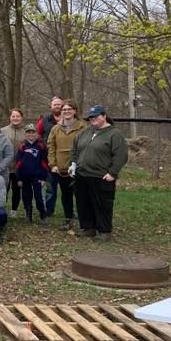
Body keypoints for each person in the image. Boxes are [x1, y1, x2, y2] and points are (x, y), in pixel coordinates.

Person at [72, 105, 128, 239]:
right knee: (84, 203)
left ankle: (104, 231)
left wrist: (113, 173)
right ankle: (88, 228)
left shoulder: (114, 134)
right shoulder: (85, 132)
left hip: (101, 176)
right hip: (82, 174)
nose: (93, 119)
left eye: (96, 116)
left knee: (102, 204)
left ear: (104, 116)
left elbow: (121, 155)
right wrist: (74, 164)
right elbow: (74, 149)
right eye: (90, 117)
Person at [47, 100, 86, 230]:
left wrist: (80, 163)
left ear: (74, 111)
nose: (66, 111)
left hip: (80, 167)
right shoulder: (56, 128)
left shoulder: (83, 127)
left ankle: (84, 222)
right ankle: (68, 220)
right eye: (64, 110)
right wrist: (53, 164)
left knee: (81, 195)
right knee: (66, 195)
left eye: (69, 109)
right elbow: (51, 146)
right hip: (61, 168)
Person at [15, 124, 49, 224]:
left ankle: (42, 214)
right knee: (26, 196)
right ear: (25, 134)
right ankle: (28, 214)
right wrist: (19, 178)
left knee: (38, 196)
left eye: (33, 132)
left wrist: (43, 178)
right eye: (28, 132)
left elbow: (44, 163)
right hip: (25, 177)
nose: (31, 134)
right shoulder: (22, 146)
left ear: (37, 133)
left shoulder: (41, 146)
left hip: (37, 176)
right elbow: (18, 163)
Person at [38, 96, 64, 217]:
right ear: (51, 106)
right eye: (55, 104)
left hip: (66, 158)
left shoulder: (69, 119)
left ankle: (69, 211)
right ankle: (49, 210)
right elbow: (38, 137)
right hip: (49, 158)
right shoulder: (44, 121)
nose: (57, 106)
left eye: (59, 104)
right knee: (50, 187)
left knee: (68, 188)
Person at [1, 108, 26, 218]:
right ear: (10, 117)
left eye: (18, 116)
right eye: (13, 116)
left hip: (19, 167)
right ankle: (1, 208)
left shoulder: (27, 131)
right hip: (5, 166)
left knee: (16, 190)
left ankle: (14, 210)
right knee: (3, 189)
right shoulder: (2, 131)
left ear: (21, 118)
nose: (15, 118)